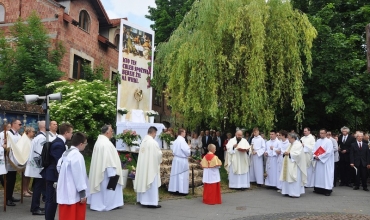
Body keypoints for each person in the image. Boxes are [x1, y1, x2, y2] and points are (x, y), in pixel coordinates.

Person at [41, 123, 73, 220]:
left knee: (51, 200)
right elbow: (59, 162)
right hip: (53, 175)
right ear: (66, 133)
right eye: (71, 132)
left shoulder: (59, 142)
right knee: (52, 200)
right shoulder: (59, 144)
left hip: (52, 174)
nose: (72, 134)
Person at [88, 124, 124, 211]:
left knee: (102, 190)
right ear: (107, 132)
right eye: (111, 131)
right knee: (107, 189)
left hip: (100, 170)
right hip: (107, 172)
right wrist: (112, 174)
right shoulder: (106, 144)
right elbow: (108, 160)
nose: (112, 133)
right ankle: (108, 205)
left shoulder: (99, 142)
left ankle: (98, 204)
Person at [57, 132, 89, 220]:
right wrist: (82, 193)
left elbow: (58, 167)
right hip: (74, 192)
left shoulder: (66, 153)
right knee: (75, 216)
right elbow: (79, 175)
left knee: (65, 216)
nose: (85, 146)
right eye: (85, 143)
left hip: (64, 190)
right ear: (81, 144)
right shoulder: (77, 155)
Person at [135, 126, 162, 208]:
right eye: (155, 134)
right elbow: (158, 154)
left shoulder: (143, 141)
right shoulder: (153, 143)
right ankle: (151, 202)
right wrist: (161, 155)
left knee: (143, 181)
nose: (155, 136)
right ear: (153, 132)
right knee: (151, 182)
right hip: (151, 167)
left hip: (144, 166)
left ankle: (142, 200)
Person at [25, 121, 48, 215]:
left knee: (38, 187)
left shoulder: (38, 137)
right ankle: (35, 208)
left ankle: (35, 207)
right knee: (38, 187)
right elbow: (41, 153)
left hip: (36, 166)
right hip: (39, 167)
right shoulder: (42, 138)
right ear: (44, 127)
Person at [0, 119, 22, 206]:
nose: (20, 126)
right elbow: (2, 145)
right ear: (14, 124)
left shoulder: (19, 136)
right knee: (8, 180)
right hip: (7, 160)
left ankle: (10, 196)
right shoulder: (4, 134)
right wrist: (4, 146)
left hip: (14, 161)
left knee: (12, 179)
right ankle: (7, 198)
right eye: (19, 124)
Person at [280, 132, 307, 198]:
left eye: (289, 138)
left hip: (294, 165)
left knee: (293, 178)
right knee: (287, 177)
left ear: (293, 138)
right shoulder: (290, 144)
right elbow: (287, 151)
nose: (288, 139)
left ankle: (294, 193)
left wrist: (289, 154)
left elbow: (298, 154)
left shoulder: (298, 144)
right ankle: (287, 192)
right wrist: (285, 153)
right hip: (288, 164)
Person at [168, 128, 191, 195]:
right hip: (181, 159)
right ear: (182, 133)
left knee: (175, 174)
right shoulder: (182, 141)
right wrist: (189, 147)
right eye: (184, 132)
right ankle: (182, 190)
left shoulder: (175, 141)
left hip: (176, 159)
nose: (185, 133)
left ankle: (174, 189)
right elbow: (186, 151)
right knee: (182, 174)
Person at [313, 129, 334, 196]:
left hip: (326, 162)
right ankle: (318, 189)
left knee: (326, 175)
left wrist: (319, 157)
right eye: (320, 133)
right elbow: (314, 150)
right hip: (319, 162)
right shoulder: (318, 141)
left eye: (323, 133)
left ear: (325, 134)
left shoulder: (329, 141)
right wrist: (315, 156)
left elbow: (328, 152)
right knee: (319, 175)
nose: (321, 134)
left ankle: (327, 190)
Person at [23, 126, 36, 197]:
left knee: (29, 175)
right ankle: (24, 190)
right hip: (25, 159)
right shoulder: (25, 139)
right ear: (28, 132)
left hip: (30, 159)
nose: (34, 133)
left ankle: (27, 188)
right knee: (25, 175)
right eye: (33, 132)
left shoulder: (31, 139)